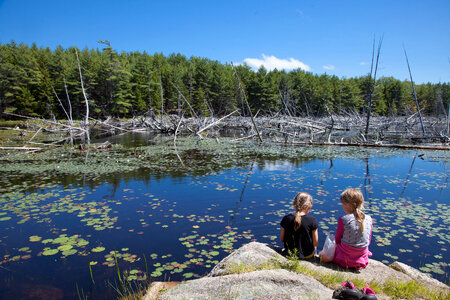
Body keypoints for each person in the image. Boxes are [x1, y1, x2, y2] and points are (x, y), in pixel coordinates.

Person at [320, 188, 373, 269]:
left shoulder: (344, 219)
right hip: (361, 253)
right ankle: (358, 260)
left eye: (342, 204)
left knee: (330, 248)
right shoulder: (369, 218)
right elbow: (368, 241)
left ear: (347, 204)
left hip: (345, 255)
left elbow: (337, 240)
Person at [280, 192, 318, 259]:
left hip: (289, 254)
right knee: (314, 248)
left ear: (294, 204)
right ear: (309, 206)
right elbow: (315, 243)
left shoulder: (286, 218)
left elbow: (282, 239)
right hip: (307, 255)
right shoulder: (312, 220)